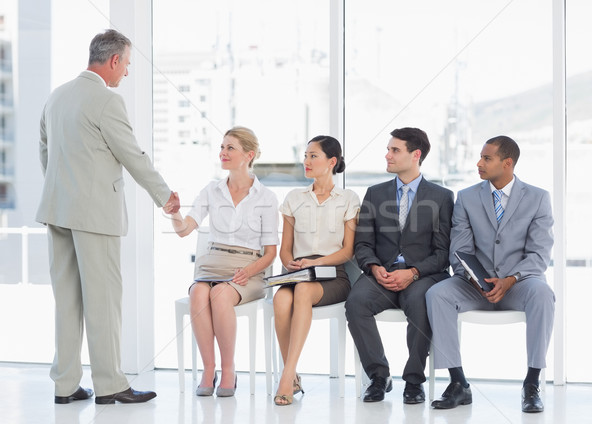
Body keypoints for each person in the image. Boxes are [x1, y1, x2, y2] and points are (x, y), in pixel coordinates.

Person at [36, 29, 180, 405]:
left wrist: (61, 188)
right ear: (113, 60)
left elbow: (45, 150)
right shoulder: (106, 101)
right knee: (103, 302)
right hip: (95, 216)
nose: (127, 73)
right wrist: (165, 196)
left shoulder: (56, 96)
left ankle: (65, 385)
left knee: (67, 302)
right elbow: (132, 154)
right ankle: (110, 384)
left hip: (57, 211)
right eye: (127, 64)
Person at [426, 135, 554, 413]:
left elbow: (540, 254)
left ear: (507, 163)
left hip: (518, 284)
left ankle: (532, 384)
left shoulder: (538, 198)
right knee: (437, 294)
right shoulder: (467, 197)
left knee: (543, 294)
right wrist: (477, 279)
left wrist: (511, 279)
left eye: (487, 158)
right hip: (475, 285)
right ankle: (458, 383)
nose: (479, 163)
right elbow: (459, 249)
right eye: (481, 157)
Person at [345, 127, 454, 404]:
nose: (387, 155)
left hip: (423, 275)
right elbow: (363, 244)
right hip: (380, 273)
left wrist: (414, 272)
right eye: (388, 149)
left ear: (415, 155)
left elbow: (443, 253)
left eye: (395, 150)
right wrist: (373, 268)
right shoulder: (375, 193)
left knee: (422, 302)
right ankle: (378, 376)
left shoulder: (441, 197)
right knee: (356, 303)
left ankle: (415, 380)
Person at [167, 126, 278, 397]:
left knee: (219, 294)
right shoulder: (211, 190)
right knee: (198, 292)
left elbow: (270, 253)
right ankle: (209, 369)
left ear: (248, 155)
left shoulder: (266, 197)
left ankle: (229, 370)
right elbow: (184, 230)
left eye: (230, 148)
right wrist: (175, 213)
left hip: (248, 271)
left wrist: (246, 272)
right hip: (212, 264)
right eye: (222, 147)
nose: (223, 153)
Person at [273, 135, 360, 406]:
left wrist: (316, 263)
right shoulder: (294, 198)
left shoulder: (348, 198)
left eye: (313, 156)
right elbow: (285, 249)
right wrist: (291, 264)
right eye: (305, 155)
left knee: (301, 292)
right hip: (299, 271)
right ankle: (293, 374)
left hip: (333, 272)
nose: (306, 161)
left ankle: (287, 376)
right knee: (280, 298)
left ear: (331, 162)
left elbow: (348, 251)